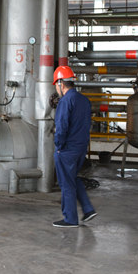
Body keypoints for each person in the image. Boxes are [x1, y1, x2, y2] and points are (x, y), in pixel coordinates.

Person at [52, 65, 96, 228]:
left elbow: (61, 126)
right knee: (73, 178)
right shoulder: (84, 100)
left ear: (60, 83)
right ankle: (88, 209)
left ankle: (70, 219)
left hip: (67, 149)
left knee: (66, 183)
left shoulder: (65, 101)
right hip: (81, 147)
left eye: (56, 85)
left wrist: (58, 145)